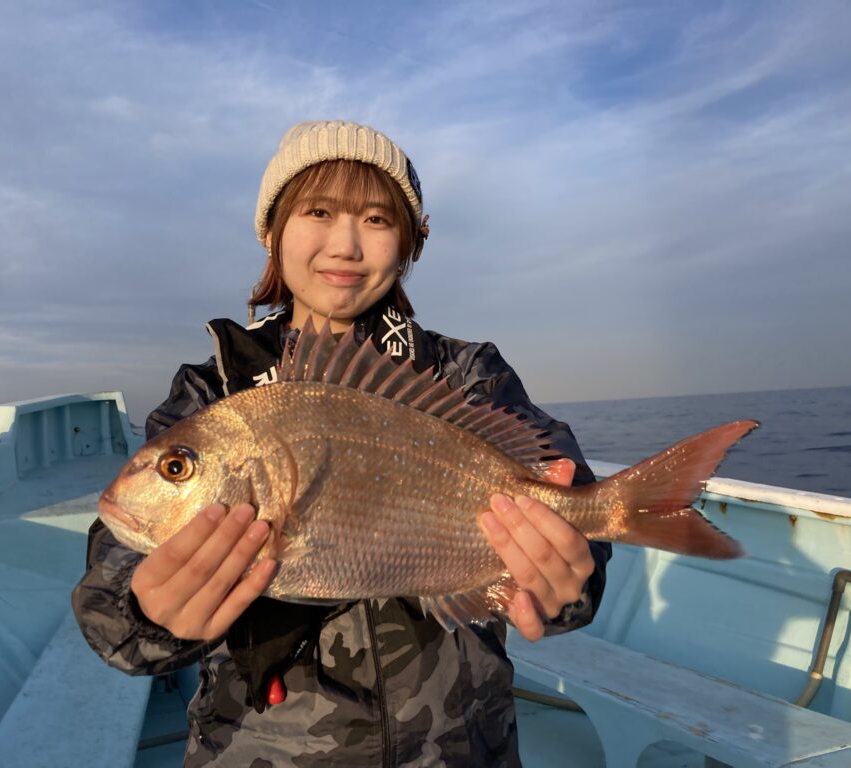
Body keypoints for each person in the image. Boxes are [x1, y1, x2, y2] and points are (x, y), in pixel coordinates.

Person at [72, 120, 612, 767]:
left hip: (460, 748)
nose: (347, 243)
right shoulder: (213, 390)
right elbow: (111, 600)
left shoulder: (468, 375)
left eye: (379, 220)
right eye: (319, 211)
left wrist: (568, 575)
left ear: (410, 243)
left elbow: (570, 508)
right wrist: (149, 611)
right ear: (272, 232)